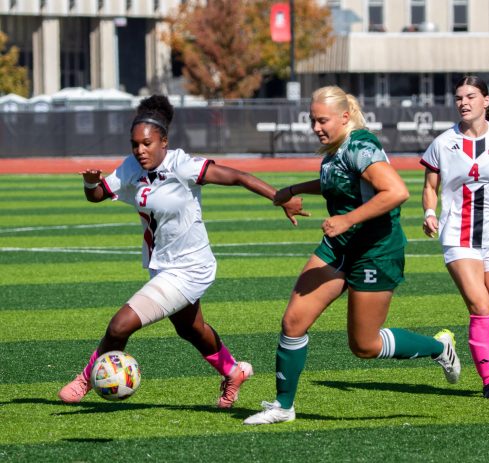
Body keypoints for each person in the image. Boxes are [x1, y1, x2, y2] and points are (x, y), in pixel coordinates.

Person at [58, 95, 307, 407]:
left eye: (147, 143)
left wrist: (281, 197)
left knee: (120, 325)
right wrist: (90, 184)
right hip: (162, 266)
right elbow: (96, 196)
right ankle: (233, 371)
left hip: (190, 267)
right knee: (191, 329)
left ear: (164, 141)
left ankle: (84, 380)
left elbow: (238, 177)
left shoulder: (184, 166)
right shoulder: (130, 167)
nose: (140, 150)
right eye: (135, 144)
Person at [243, 85, 461, 426]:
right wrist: (293, 189)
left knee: (364, 345)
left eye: (322, 120)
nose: (316, 127)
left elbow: (397, 191)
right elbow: (336, 180)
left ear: (345, 117)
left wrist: (347, 219)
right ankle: (283, 406)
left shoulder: (361, 145)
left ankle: (438, 348)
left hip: (376, 250)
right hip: (340, 246)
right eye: (312, 120)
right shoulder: (336, 148)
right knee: (293, 321)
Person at [421, 76, 489, 399]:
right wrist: (429, 213)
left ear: (486, 101)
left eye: (471, 96)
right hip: (458, 235)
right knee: (480, 307)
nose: (464, 102)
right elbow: (430, 187)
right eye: (459, 97)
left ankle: (486, 342)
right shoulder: (442, 143)